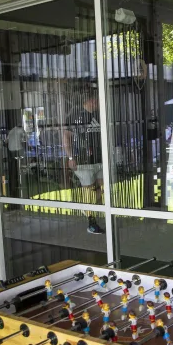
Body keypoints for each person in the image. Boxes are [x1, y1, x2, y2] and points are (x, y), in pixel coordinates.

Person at [62, 84, 104, 234]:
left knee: (101, 190)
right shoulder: (75, 115)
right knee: (90, 191)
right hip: (83, 161)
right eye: (97, 101)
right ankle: (91, 222)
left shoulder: (99, 115)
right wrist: (71, 157)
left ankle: (90, 212)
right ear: (91, 101)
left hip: (99, 160)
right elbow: (66, 137)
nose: (99, 104)